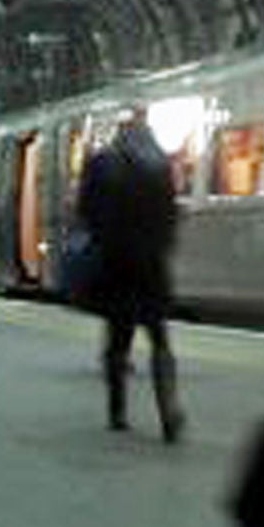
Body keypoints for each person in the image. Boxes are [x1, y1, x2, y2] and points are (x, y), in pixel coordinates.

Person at [76, 107, 184, 441]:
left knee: (118, 339)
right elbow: (170, 213)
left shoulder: (100, 163)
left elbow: (85, 210)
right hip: (152, 263)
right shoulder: (160, 164)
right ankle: (169, 412)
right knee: (159, 338)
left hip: (116, 262)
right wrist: (161, 246)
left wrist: (103, 237)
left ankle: (117, 412)